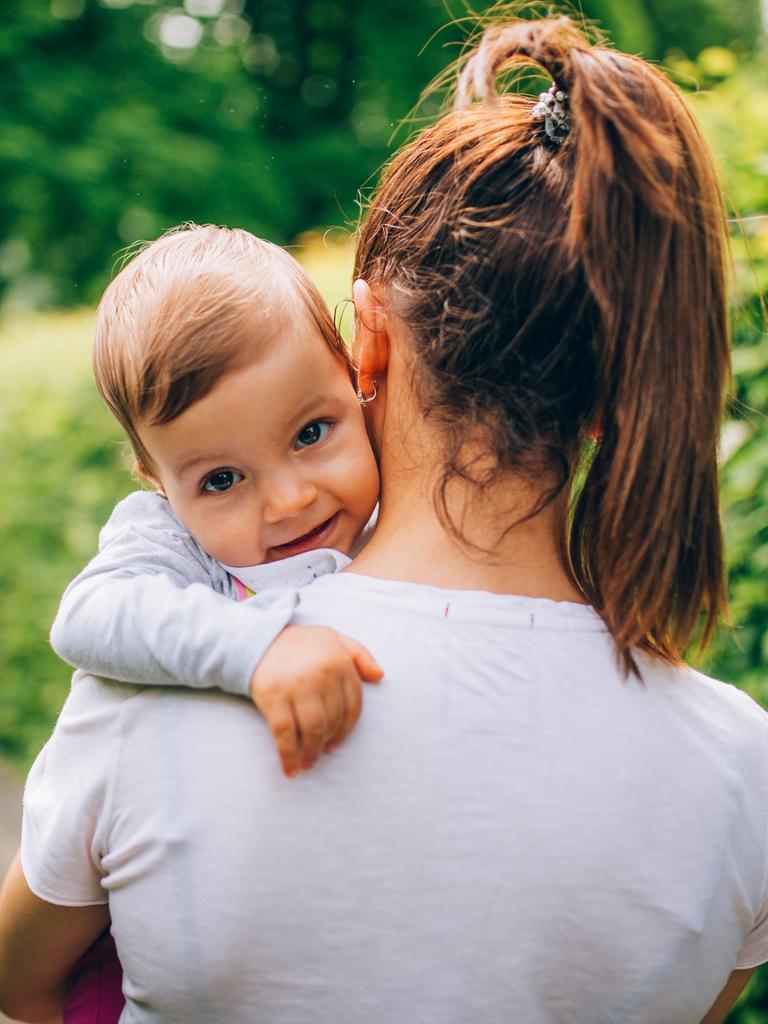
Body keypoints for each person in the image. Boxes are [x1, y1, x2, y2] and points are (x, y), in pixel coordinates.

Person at [1, 12, 766, 1023]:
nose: (282, 500)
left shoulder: (155, 687)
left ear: (365, 341)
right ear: (616, 393)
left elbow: (21, 982)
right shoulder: (738, 776)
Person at [52, 224, 383, 781]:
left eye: (310, 434)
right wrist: (253, 646)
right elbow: (87, 616)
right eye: (223, 479)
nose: (289, 501)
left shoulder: (399, 493)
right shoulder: (175, 541)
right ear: (158, 482)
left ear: (354, 377)